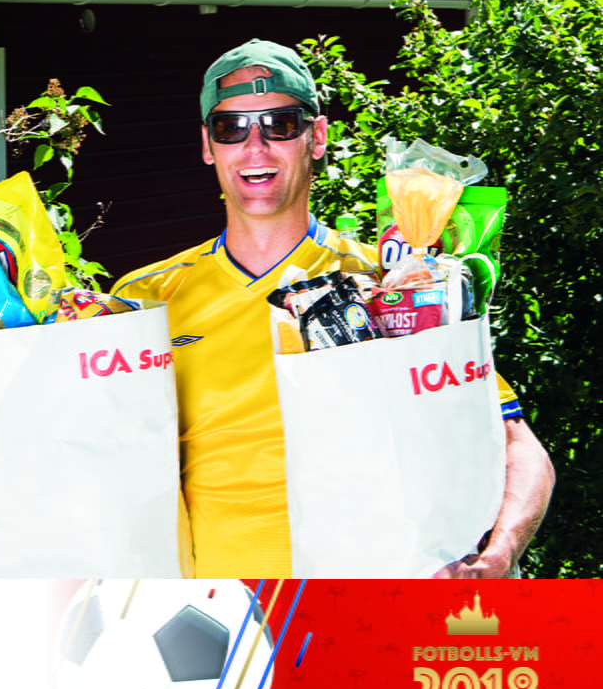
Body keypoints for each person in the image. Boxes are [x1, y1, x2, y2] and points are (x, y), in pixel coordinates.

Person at [113, 38, 554, 579]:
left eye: (280, 124)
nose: (255, 146)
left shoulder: (395, 285)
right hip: (219, 611)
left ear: (316, 137)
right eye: (231, 128)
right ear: (209, 145)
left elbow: (517, 446)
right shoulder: (145, 299)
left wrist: (500, 552)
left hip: (373, 599)